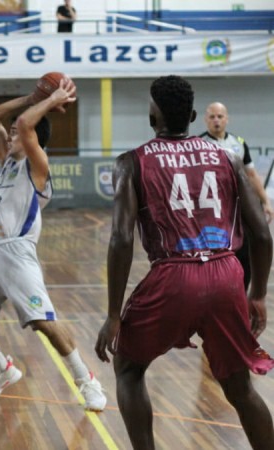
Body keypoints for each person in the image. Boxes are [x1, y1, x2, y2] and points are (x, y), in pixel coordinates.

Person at [95, 75, 274, 450]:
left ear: (151, 117)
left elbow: (122, 238)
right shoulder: (227, 157)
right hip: (226, 274)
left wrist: (114, 313)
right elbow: (262, 235)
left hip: (174, 274)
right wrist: (256, 294)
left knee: (129, 368)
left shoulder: (132, 162)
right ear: (194, 115)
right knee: (240, 387)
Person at [0, 80, 107, 411]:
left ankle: (86, 380)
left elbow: (23, 123)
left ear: (33, 139)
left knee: (43, 323)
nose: (10, 135)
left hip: (17, 253)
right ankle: (1, 369)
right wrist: (32, 97)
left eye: (16, 134)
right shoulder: (8, 160)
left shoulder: (38, 166)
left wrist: (50, 101)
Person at [199, 101, 273, 291]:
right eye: (212, 116)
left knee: (245, 251)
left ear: (227, 119)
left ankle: (242, 293)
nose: (216, 120)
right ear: (205, 120)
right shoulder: (198, 144)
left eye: (220, 116)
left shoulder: (239, 144)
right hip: (211, 212)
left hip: (238, 210)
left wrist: (265, 201)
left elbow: (252, 175)